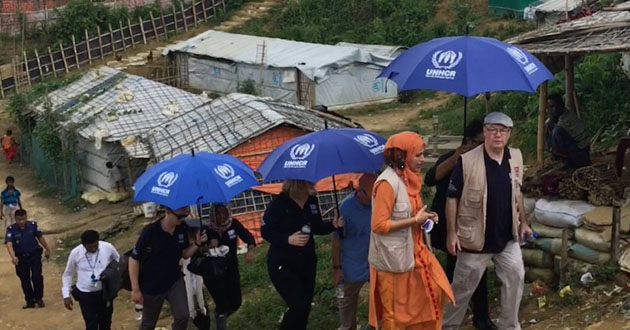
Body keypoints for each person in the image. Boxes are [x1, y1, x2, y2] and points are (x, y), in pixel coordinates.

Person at [443, 112, 532, 330]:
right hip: (475, 239)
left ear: (509, 134)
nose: (497, 135)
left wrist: (523, 222)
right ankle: (447, 325)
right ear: (484, 132)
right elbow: (451, 198)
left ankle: (510, 326)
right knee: (463, 287)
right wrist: (452, 233)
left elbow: (518, 193)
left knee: (516, 276)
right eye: (492, 130)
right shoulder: (467, 161)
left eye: (503, 130)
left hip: (506, 237)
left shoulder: (516, 158)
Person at [368, 131, 454, 330]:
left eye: (423, 154)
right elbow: (378, 225)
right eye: (418, 155)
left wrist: (426, 218)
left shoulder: (409, 179)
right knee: (397, 315)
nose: (422, 160)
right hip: (394, 262)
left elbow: (412, 214)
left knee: (433, 293)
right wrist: (414, 220)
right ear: (402, 156)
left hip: (417, 253)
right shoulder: (386, 184)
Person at [424, 120, 496, 330]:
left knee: (476, 268)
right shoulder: (451, 159)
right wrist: (456, 158)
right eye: (479, 142)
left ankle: (480, 316)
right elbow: (430, 179)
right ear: (467, 141)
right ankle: (451, 314)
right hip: (448, 224)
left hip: (472, 223)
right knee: (455, 269)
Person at [261, 180, 342, 330]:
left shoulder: (312, 200)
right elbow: (265, 231)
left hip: (307, 261)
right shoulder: (279, 203)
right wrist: (288, 239)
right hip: (283, 263)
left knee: (305, 306)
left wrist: (333, 225)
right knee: (297, 305)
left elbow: (316, 226)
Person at [128, 206, 206, 330]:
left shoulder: (182, 228)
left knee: (183, 316)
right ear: (168, 212)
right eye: (179, 216)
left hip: (174, 280)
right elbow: (134, 259)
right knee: (149, 323)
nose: (182, 219)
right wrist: (135, 289)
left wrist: (197, 244)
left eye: (184, 216)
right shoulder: (151, 231)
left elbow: (185, 254)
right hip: (152, 284)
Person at [332, 173, 377, 330]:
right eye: (372, 196)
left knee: (381, 301)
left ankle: (374, 325)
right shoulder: (345, 208)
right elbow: (336, 240)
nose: (374, 199)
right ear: (361, 191)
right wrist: (337, 268)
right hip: (351, 265)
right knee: (346, 303)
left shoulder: (379, 204)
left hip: (375, 262)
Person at [203, 204, 256, 330]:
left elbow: (249, 237)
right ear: (212, 214)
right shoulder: (206, 229)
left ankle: (221, 317)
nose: (221, 216)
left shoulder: (233, 224)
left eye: (224, 213)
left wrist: (249, 251)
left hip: (231, 268)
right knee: (222, 304)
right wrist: (208, 246)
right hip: (213, 272)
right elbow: (198, 251)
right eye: (218, 213)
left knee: (236, 302)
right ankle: (220, 322)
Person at [62, 230, 120, 330]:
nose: (93, 248)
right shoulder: (75, 253)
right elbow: (68, 274)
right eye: (89, 247)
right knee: (91, 324)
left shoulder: (108, 247)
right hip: (85, 295)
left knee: (105, 323)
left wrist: (111, 275)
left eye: (95, 245)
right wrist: (66, 295)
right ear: (83, 245)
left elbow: (118, 261)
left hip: (104, 293)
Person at [4, 209, 51, 308]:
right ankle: (30, 301)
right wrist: (13, 257)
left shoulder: (32, 225)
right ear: (15, 219)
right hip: (21, 258)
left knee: (37, 277)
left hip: (34, 255)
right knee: (25, 280)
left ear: (26, 217)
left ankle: (39, 298)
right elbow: (9, 244)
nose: (21, 221)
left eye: (23, 219)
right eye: (19, 219)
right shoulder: (11, 229)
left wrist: (47, 249)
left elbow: (40, 237)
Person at [545, 94, 591, 168]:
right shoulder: (557, 117)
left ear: (562, 105)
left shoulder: (567, 118)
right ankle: (561, 159)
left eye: (557, 105)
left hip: (582, 156)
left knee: (557, 131)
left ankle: (565, 161)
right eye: (551, 107)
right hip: (574, 151)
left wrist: (553, 150)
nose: (555, 109)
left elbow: (555, 136)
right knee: (550, 126)